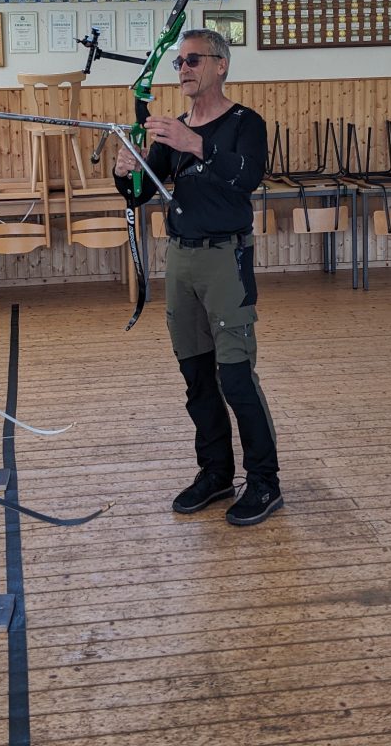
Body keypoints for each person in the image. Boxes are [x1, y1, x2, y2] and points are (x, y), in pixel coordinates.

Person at [114, 28, 283, 526]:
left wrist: (197, 144)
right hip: (181, 261)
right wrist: (127, 171)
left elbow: (248, 177)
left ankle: (265, 482)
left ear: (220, 65)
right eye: (179, 62)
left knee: (236, 377)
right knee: (197, 376)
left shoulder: (245, 123)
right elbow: (139, 194)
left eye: (193, 60)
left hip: (225, 260)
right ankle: (215, 473)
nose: (183, 69)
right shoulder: (174, 129)